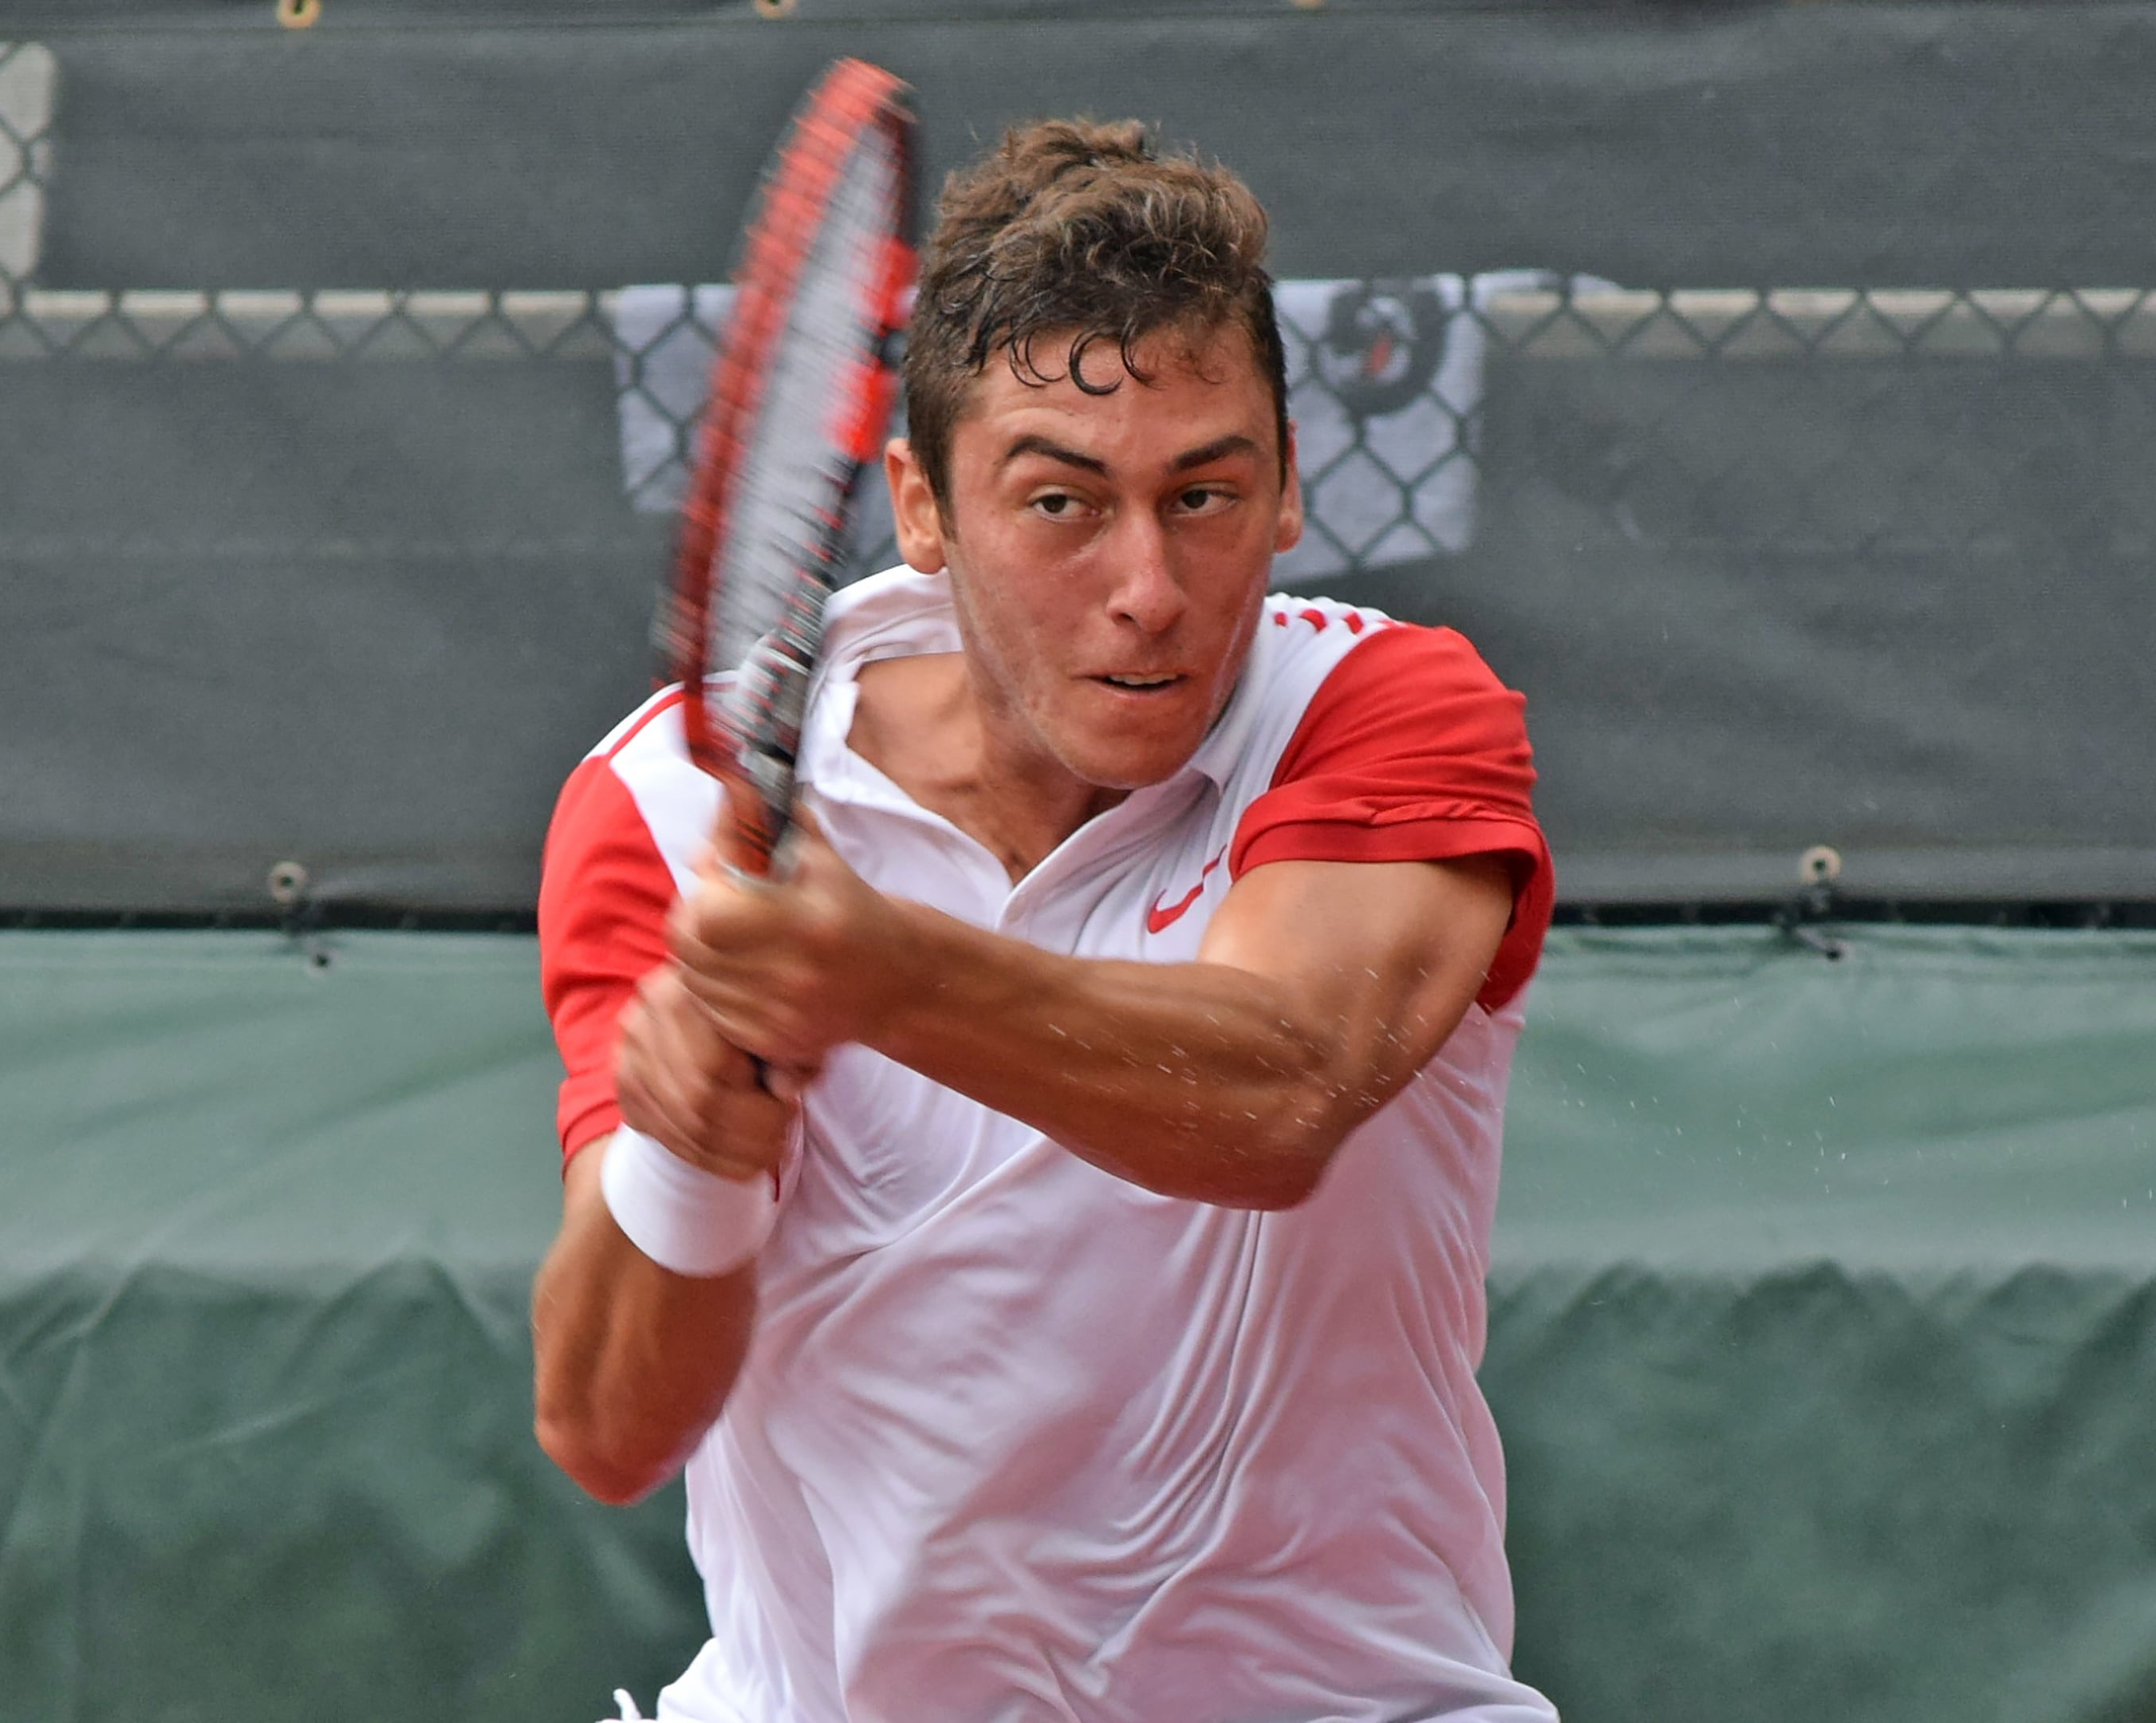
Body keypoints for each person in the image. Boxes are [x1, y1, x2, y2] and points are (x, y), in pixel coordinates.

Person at [530, 117, 1561, 1723]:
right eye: (1062, 505)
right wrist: (691, 1144)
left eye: (1203, 494)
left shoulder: (1379, 710)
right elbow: (604, 1427)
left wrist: (882, 976)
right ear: (923, 511)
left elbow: (1277, 1094)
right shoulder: (666, 803)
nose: (1147, 584)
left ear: (1291, 486)